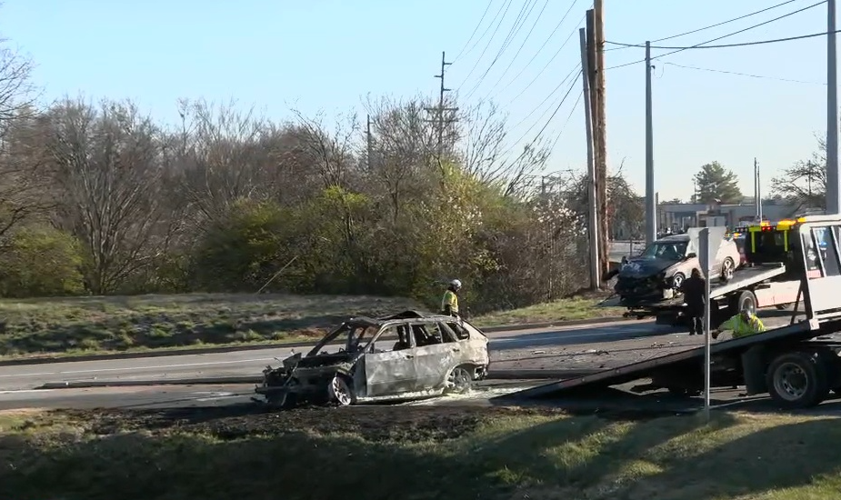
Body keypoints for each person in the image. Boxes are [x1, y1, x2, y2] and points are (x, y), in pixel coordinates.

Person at [680, 268, 706, 336]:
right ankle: (700, 331)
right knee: (699, 317)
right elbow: (707, 291)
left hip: (690, 302)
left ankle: (692, 331)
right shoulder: (702, 281)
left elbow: (681, 289)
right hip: (700, 301)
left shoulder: (687, 281)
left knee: (691, 317)